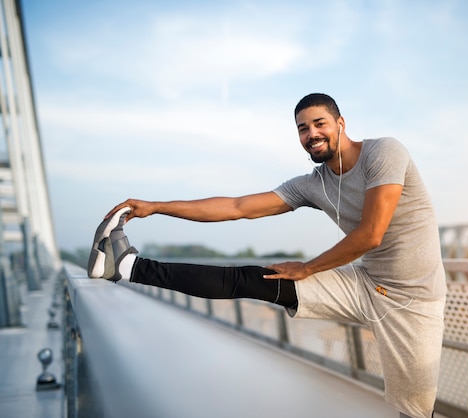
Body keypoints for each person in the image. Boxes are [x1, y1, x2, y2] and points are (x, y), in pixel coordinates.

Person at [88, 93, 447, 418]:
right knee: (252, 279)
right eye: (302, 128)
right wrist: (156, 207)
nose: (312, 134)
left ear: (340, 124)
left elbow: (370, 234)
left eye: (319, 123)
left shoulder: (384, 153)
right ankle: (129, 266)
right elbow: (237, 206)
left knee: (415, 414)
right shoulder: (312, 184)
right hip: (365, 284)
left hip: (414, 302)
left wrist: (307, 268)